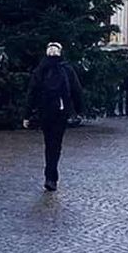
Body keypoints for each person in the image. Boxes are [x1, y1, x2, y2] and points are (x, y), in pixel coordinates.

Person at [23, 41, 85, 192]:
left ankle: (49, 175)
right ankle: (52, 177)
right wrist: (79, 111)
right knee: (55, 145)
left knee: (48, 143)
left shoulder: (40, 70)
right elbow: (76, 90)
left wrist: (27, 115)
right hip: (60, 112)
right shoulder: (67, 69)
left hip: (45, 112)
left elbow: (31, 93)